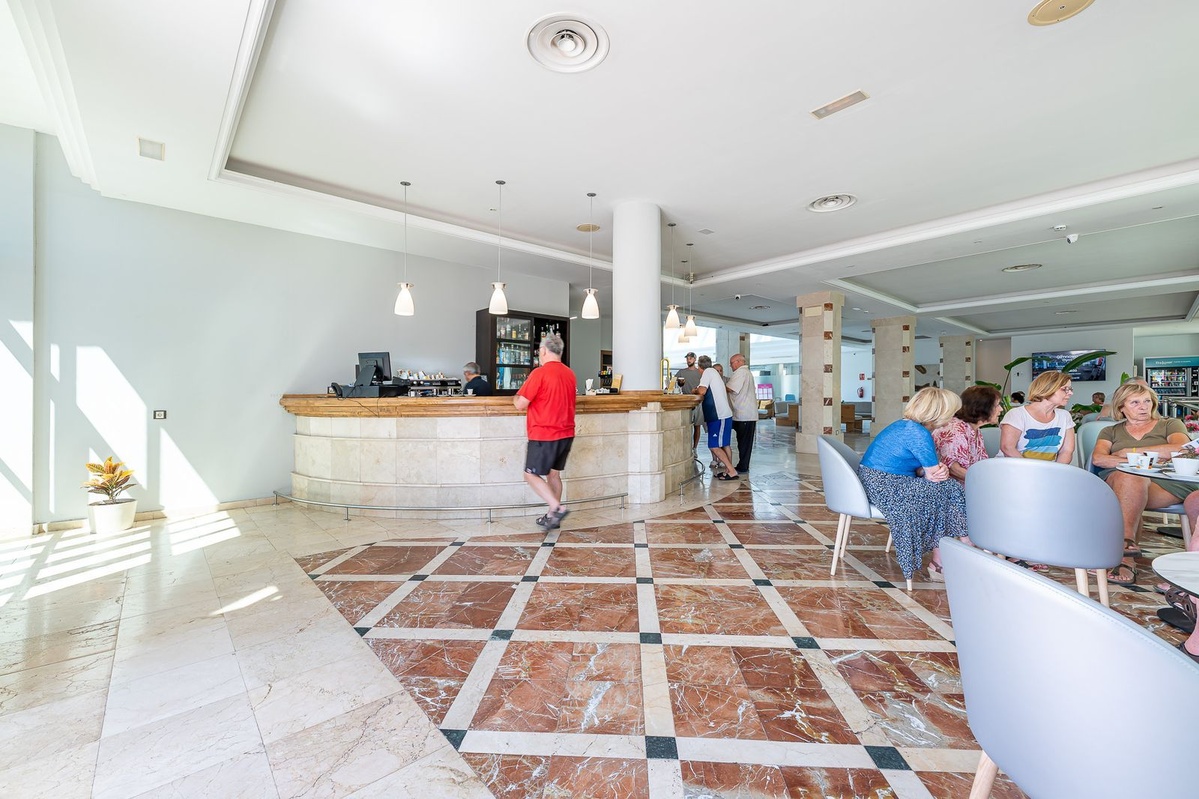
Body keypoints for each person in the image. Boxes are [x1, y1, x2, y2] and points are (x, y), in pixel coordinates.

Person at [858, 387, 972, 582]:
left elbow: (922, 470)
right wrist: (938, 472)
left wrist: (936, 471)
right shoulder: (919, 434)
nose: (954, 417)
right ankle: (965, 544)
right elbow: (933, 476)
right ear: (940, 412)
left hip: (873, 481)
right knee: (949, 489)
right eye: (952, 412)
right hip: (885, 485)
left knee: (944, 492)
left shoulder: (905, 426)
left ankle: (945, 557)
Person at [1089, 381, 1190, 585]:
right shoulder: (1110, 431)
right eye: (1135, 402)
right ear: (1121, 407)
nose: (1143, 407)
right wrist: (1140, 463)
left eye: (1147, 401)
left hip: (1163, 484)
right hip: (1122, 482)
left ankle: (1125, 552)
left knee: (1131, 483)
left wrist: (1131, 453)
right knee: (1130, 476)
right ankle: (1127, 546)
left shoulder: (1170, 424)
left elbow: (1181, 449)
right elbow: (1099, 459)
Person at [513, 334, 576, 530]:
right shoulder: (570, 374)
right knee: (553, 475)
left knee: (530, 474)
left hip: (544, 433)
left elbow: (520, 404)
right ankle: (552, 517)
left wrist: (515, 397)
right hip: (566, 433)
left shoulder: (539, 373)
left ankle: (556, 507)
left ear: (543, 351)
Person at [998, 371, 1076, 463]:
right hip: (1011, 468)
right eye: (1065, 389)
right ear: (1048, 388)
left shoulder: (1065, 416)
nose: (1070, 393)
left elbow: (1066, 451)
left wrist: (1056, 470)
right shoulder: (1017, 414)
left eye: (1070, 389)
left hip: (1048, 470)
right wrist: (1033, 471)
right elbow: (1008, 448)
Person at [933, 385, 1002, 483]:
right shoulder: (955, 430)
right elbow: (954, 470)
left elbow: (981, 464)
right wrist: (987, 482)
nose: (1001, 409)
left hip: (970, 484)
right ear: (982, 408)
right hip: (952, 488)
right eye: (997, 405)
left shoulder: (974, 429)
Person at [695, 355, 738, 480]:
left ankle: (731, 471)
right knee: (725, 444)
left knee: (713, 445)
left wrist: (694, 390)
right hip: (724, 415)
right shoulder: (713, 373)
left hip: (718, 415)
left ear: (699, 367)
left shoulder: (708, 372)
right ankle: (728, 470)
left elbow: (702, 391)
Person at [725, 353, 758, 474]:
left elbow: (731, 388)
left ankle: (743, 466)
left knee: (744, 443)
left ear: (739, 362)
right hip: (743, 414)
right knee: (743, 442)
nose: (730, 366)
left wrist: (719, 386)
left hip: (744, 414)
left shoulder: (741, 372)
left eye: (732, 363)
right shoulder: (745, 372)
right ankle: (742, 465)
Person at [674, 352, 703, 450]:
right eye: (687, 358)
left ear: (695, 359)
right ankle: (686, 448)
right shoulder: (681, 372)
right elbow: (673, 382)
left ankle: (695, 448)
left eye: (690, 358)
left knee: (697, 426)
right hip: (685, 402)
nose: (688, 360)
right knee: (686, 426)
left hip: (698, 402)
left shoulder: (700, 372)